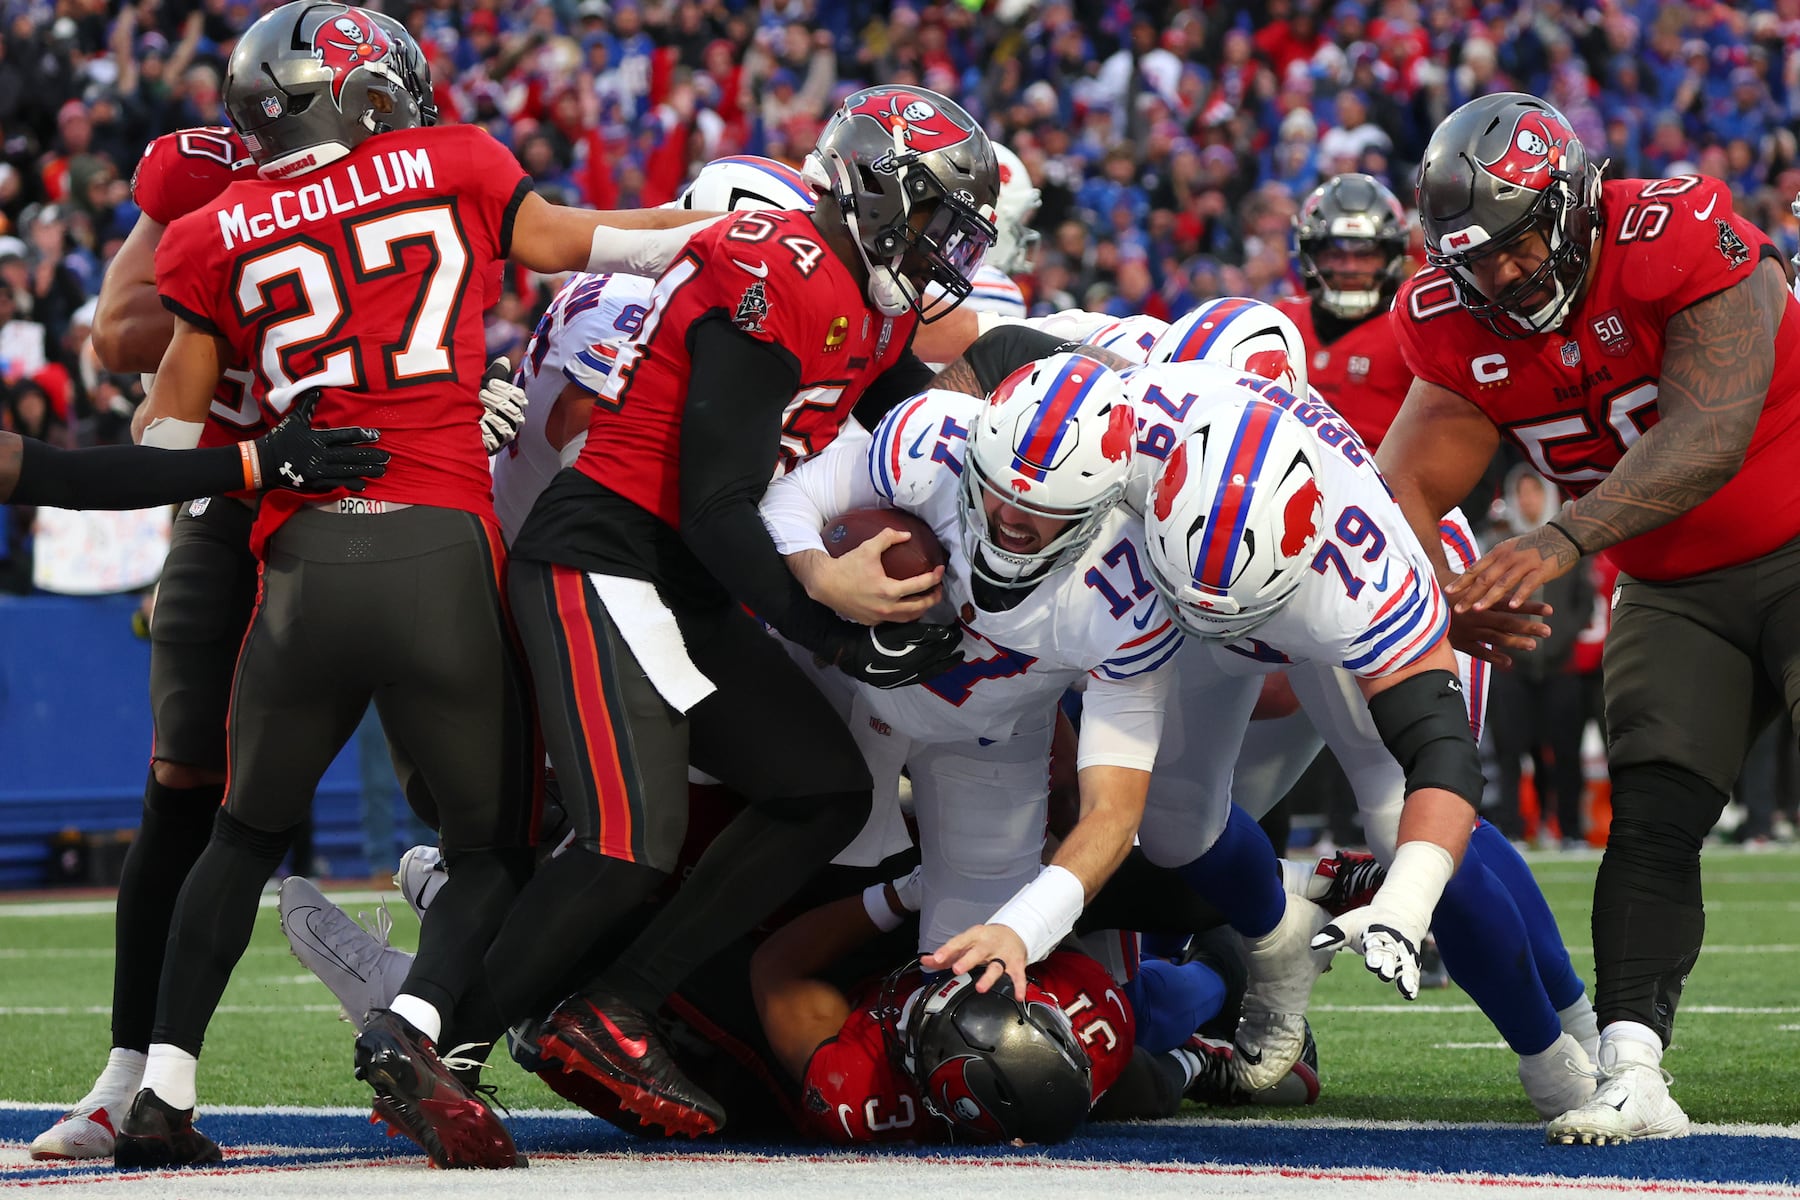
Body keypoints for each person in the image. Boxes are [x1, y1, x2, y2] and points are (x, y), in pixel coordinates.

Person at [112, 1, 716, 1170]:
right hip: (440, 542)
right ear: (365, 93)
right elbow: (581, 245)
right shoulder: (455, 159)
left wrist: (250, 439)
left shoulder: (214, 228)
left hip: (298, 563)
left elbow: (166, 427)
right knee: (490, 850)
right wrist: (712, 229)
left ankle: (161, 1096)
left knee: (241, 837)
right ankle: (420, 1027)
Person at [443, 85, 997, 1141]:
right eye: (933, 219)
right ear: (879, 190)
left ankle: (619, 1005)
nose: (941, 250)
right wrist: (831, 619)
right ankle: (445, 1047)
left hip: (681, 580)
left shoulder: (871, 303)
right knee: (624, 843)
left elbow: (895, 427)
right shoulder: (773, 269)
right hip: (603, 555)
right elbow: (715, 503)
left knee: (821, 788)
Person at [1381, 92, 1800, 1145]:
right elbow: (1399, 494)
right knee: (1654, 813)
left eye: (1520, 245)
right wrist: (1436, 601)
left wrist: (1561, 538)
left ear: (1570, 205)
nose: (1505, 275)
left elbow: (1709, 436)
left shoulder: (1674, 232)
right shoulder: (1446, 318)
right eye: (1476, 259)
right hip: (1673, 584)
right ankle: (1632, 1069)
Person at [1486, 466, 1591, 846]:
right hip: (1512, 665)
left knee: (1565, 752)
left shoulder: (1568, 542)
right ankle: (1512, 829)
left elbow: (1584, 603)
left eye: (1535, 491)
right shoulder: (1499, 543)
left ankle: (1570, 829)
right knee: (1509, 751)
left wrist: (1558, 638)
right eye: (1522, 492)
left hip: (1560, 665)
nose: (1528, 500)